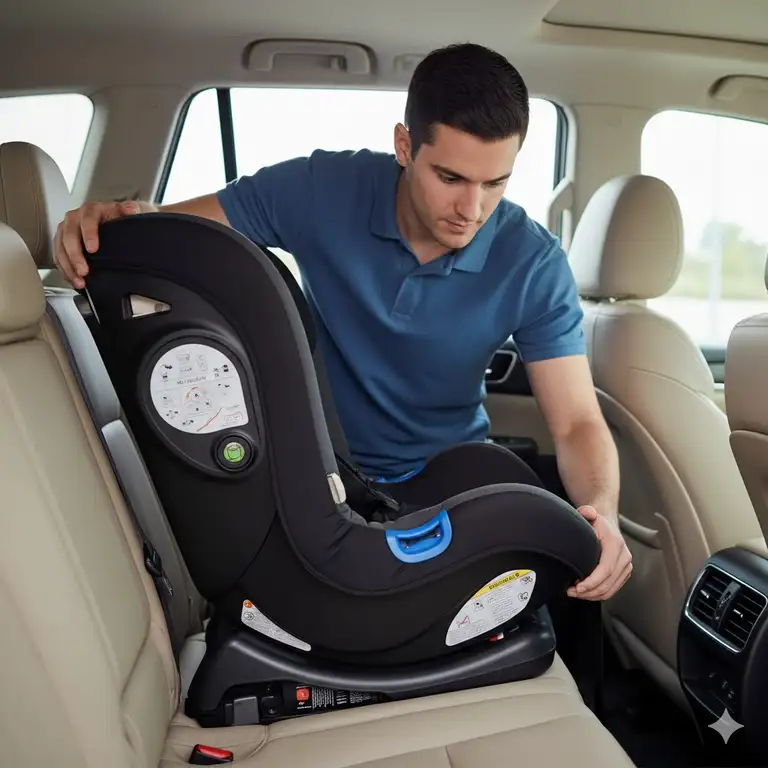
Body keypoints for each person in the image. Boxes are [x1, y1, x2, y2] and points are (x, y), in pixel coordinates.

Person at [52, 42, 631, 601]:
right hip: (319, 478)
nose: (471, 210)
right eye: (451, 178)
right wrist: (112, 221)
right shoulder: (323, 189)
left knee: (549, 550)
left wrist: (602, 514)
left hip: (451, 486)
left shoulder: (533, 262)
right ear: (405, 146)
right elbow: (177, 237)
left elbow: (578, 422)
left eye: (495, 183)